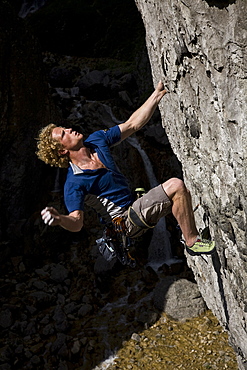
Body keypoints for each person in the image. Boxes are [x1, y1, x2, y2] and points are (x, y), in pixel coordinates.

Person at [36, 81, 215, 256]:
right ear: (62, 151)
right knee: (176, 186)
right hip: (124, 222)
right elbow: (77, 222)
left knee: (180, 193)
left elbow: (132, 125)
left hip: (135, 204)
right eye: (63, 133)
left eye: (65, 128)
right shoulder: (74, 182)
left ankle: (187, 230)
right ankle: (192, 242)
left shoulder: (97, 140)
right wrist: (60, 219)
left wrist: (157, 94)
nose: (69, 129)